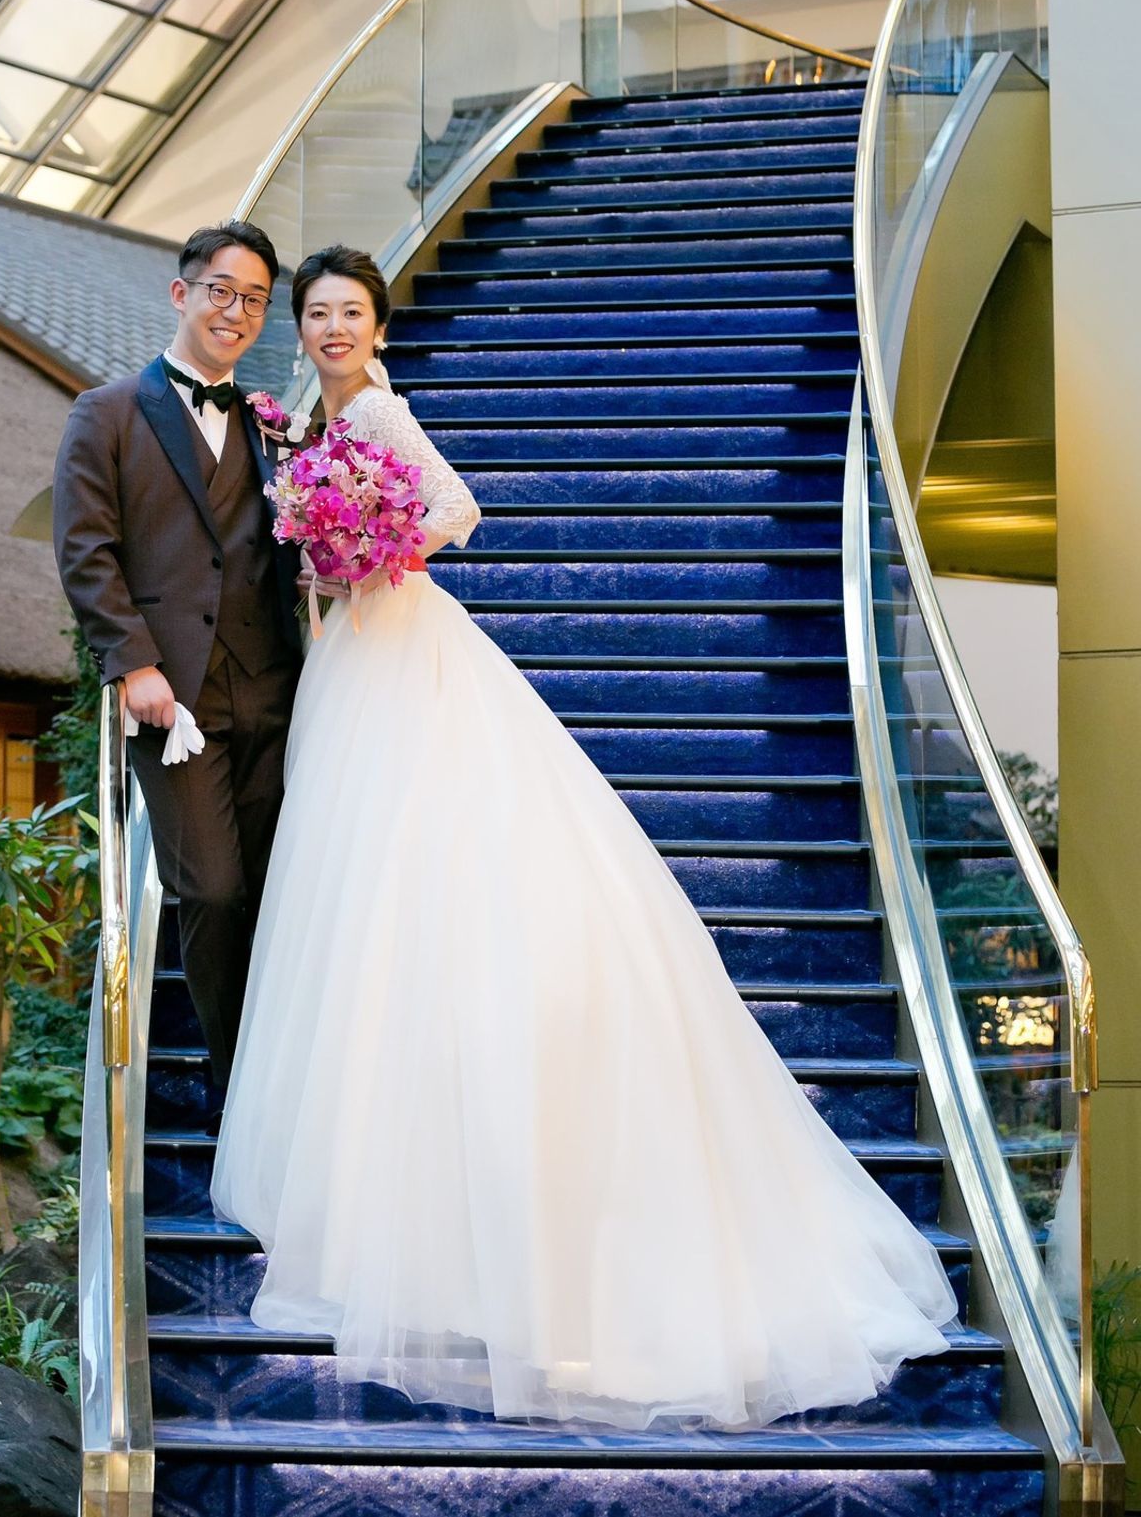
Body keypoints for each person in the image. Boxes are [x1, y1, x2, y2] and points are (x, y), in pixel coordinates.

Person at [211, 243, 958, 1431]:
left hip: (402, 649)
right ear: (297, 329)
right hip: (349, 658)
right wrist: (330, 550)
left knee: (415, 869)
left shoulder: (380, 414)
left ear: (377, 324)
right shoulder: (312, 421)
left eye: (349, 311)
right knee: (356, 897)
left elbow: (457, 507)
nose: (333, 328)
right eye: (316, 314)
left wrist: (370, 547)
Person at [52, 220, 302, 1113]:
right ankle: (240, 1097)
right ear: (181, 292)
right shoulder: (108, 411)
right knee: (214, 889)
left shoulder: (273, 425)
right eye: (221, 291)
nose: (236, 311)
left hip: (274, 687)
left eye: (255, 300)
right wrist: (132, 663)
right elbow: (86, 549)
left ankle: (284, 1083)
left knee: (277, 890)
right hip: (174, 700)